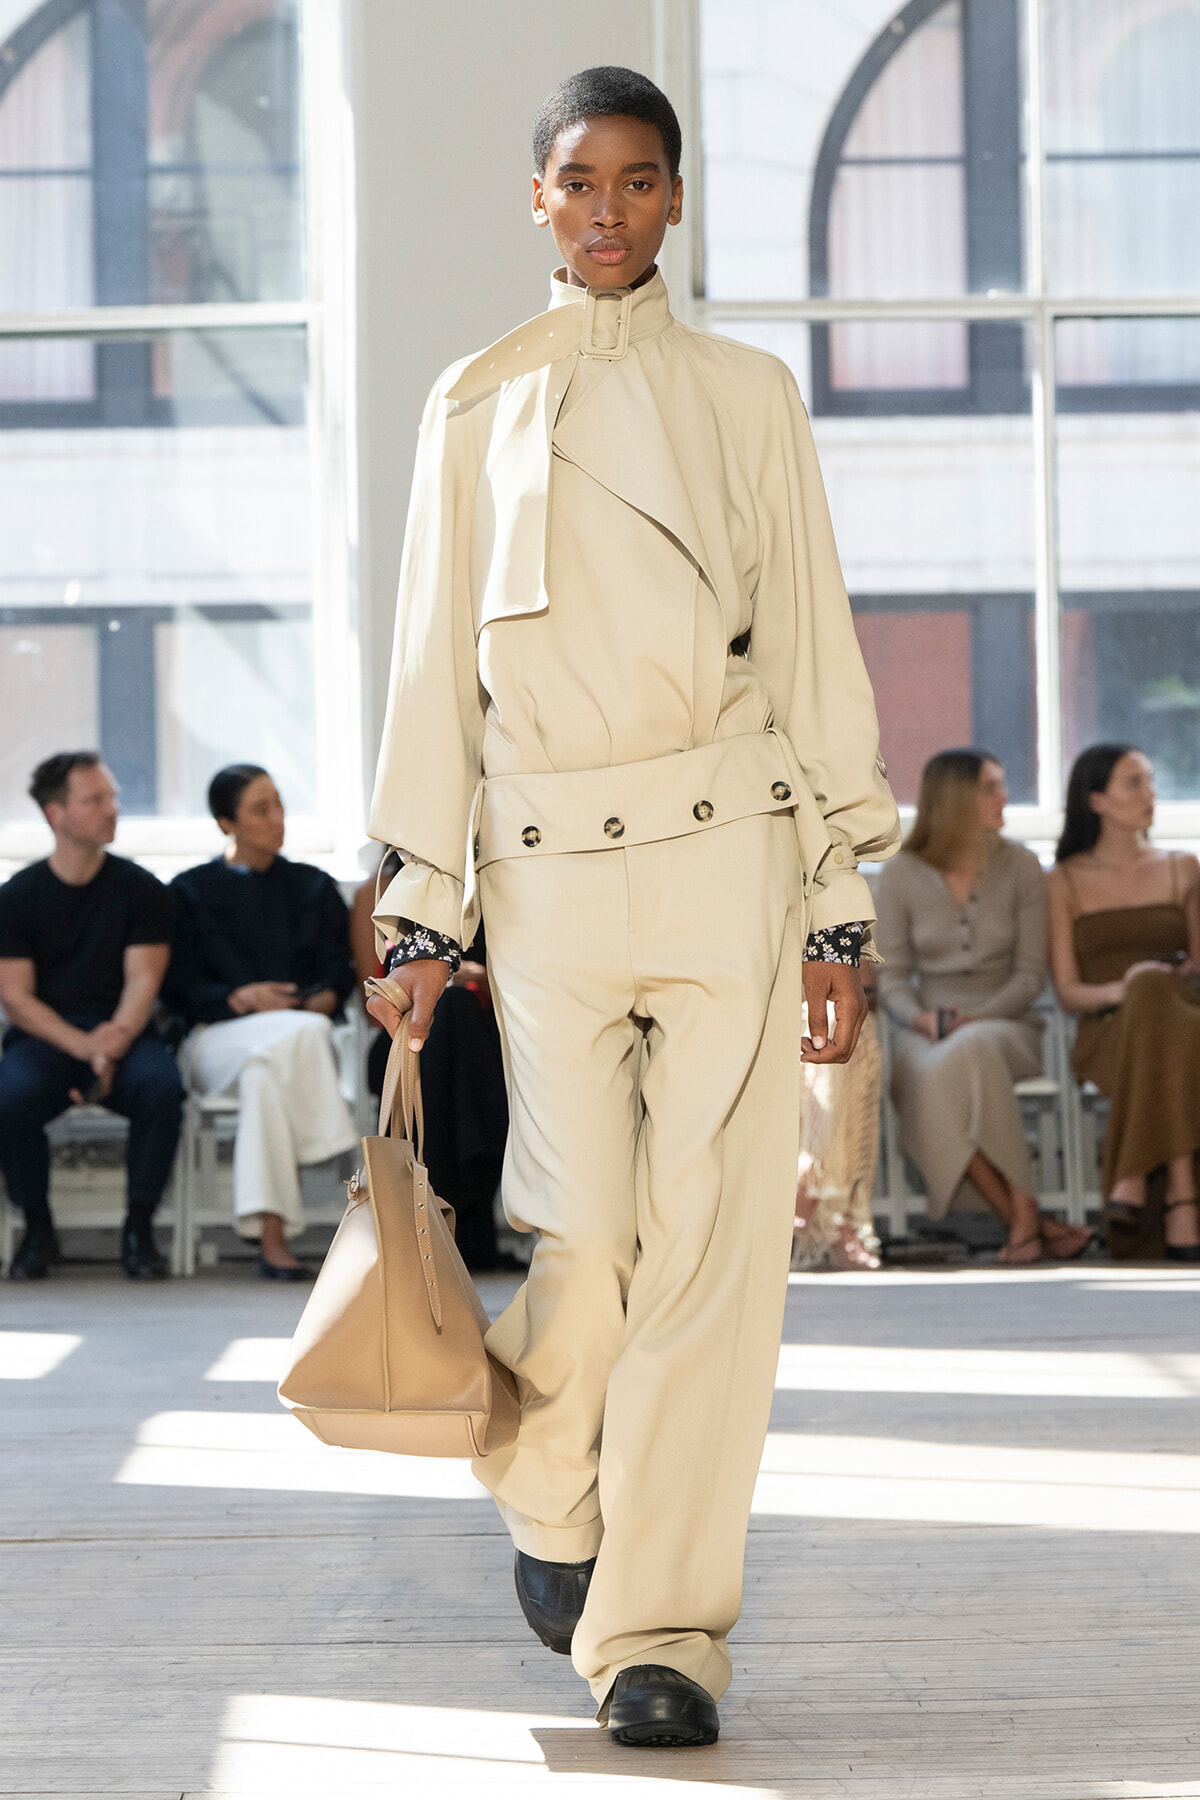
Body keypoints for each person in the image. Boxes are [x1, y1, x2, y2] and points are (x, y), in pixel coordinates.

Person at [364, 68, 900, 1748]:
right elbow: (430, 677)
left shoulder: (750, 395)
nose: (607, 207)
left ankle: (659, 1633)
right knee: (587, 1239)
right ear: (538, 200)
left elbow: (808, 644)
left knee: (717, 1263)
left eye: (639, 179)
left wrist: (835, 909)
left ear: (675, 202)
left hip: (728, 848)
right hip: (545, 881)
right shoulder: (473, 401)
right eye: (579, 179)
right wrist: (420, 912)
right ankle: (541, 1468)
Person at [875, 748, 1091, 1265]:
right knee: (936, 1068)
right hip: (926, 1030)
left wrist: (979, 1016)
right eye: (991, 787)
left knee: (967, 1051)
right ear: (955, 800)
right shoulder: (901, 873)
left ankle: (1022, 1219)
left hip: (1009, 1024)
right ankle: (1025, 1215)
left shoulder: (1020, 867)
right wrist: (921, 1018)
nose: (1005, 797)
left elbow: (1029, 974)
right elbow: (892, 976)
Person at [168, 765, 357, 1280]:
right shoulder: (188, 891)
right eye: (260, 809)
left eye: (278, 804)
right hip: (217, 1040)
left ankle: (273, 1241)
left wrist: (316, 1002)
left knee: (266, 1076)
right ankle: (330, 1146)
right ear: (225, 823)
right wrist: (241, 998)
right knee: (304, 1036)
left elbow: (338, 970)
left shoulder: (313, 887)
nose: (278, 818)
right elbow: (179, 988)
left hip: (288, 1044)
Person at [0, 752, 183, 1280]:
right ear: (56, 814)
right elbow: (16, 1000)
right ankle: (37, 1229)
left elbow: (144, 981)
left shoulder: (142, 889)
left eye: (113, 797)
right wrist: (87, 1052)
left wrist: (113, 1044)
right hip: (49, 1039)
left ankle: (139, 1228)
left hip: (124, 1031)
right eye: (95, 799)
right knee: (9, 1098)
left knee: (162, 1089)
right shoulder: (17, 897)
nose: (112, 809)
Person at [1049, 744, 1200, 1261]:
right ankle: (1183, 1195)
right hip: (1108, 1029)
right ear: (1096, 799)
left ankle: (1134, 1179)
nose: (1150, 794)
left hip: (1184, 1017)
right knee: (1149, 995)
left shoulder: (1184, 868)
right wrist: (1130, 985)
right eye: (1133, 783)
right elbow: (1068, 993)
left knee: (1161, 1000)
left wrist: (1164, 978)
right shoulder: (1065, 880)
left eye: (1151, 781)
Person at [350, 863, 511, 1272]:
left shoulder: (497, 882)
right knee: (450, 1021)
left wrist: (473, 977)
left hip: (488, 1033)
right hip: (403, 1032)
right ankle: (470, 1219)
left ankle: (433, 1221)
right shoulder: (377, 891)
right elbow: (373, 987)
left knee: (458, 1016)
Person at [792, 979, 883, 1272]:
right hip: (748, 1009)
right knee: (829, 1035)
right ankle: (838, 1217)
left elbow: (864, 980)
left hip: (809, 1010)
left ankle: (809, 1183)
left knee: (839, 1031)